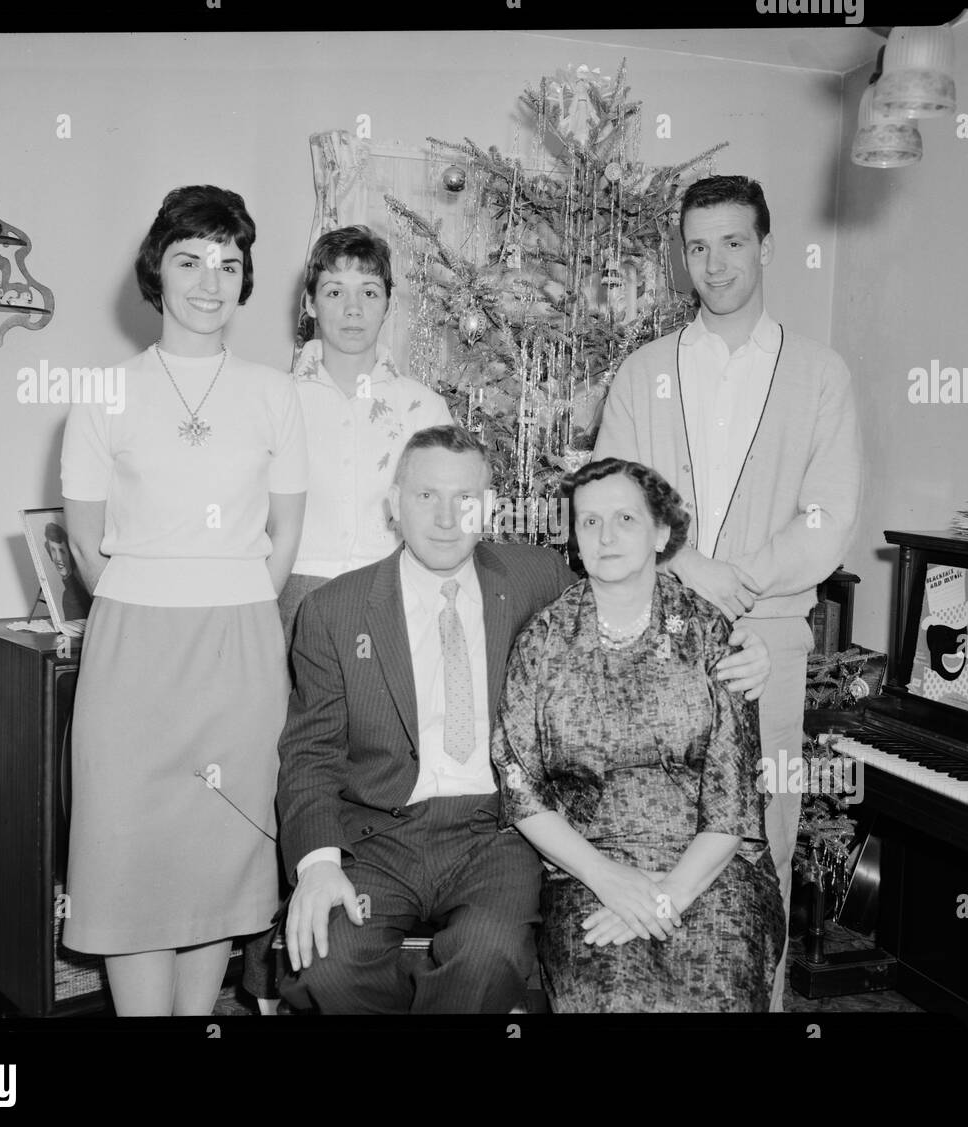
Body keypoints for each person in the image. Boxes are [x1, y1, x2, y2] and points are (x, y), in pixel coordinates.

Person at [275, 425, 773, 1014]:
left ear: (488, 508)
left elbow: (624, 584)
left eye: (465, 499)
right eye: (425, 496)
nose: (445, 518)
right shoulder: (334, 610)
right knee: (329, 965)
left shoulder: (532, 578)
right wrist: (318, 865)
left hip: (494, 831)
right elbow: (310, 756)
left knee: (488, 958)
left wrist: (742, 645)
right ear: (393, 504)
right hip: (378, 835)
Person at [593, 175, 862, 1010]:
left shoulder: (819, 375)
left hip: (769, 641)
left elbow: (826, 522)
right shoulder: (643, 374)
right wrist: (683, 569)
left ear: (766, 246)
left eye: (733, 242)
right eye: (698, 246)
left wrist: (726, 577)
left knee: (760, 850)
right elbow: (614, 505)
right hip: (652, 637)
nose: (714, 263)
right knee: (653, 842)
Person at [60, 185, 308, 1016]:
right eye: (190, 259)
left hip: (238, 651)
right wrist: (157, 598)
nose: (210, 280)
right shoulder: (103, 394)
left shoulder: (276, 395)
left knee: (218, 853)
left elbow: (282, 541)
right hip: (133, 651)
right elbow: (93, 550)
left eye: (229, 264)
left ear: (245, 282)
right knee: (132, 854)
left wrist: (226, 605)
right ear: (156, 271)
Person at [242, 224, 452, 1012]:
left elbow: (442, 516)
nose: (353, 308)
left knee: (374, 764)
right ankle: (277, 960)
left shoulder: (421, 403)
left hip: (392, 601)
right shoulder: (276, 397)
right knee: (293, 765)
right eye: (335, 290)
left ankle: (364, 932)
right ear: (310, 302)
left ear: (389, 303)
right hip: (296, 597)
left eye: (369, 292)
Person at [491, 458, 784, 1012]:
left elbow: (735, 805)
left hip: (711, 869)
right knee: (612, 996)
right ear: (574, 538)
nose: (606, 536)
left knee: (718, 990)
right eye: (589, 522)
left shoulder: (709, 634)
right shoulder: (543, 642)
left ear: (662, 532)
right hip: (587, 871)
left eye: (626, 518)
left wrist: (665, 899)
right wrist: (611, 881)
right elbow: (521, 788)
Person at [43, 521, 90, 624]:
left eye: (62, 551)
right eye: (53, 551)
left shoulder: (73, 595)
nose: (59, 558)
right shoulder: (69, 592)